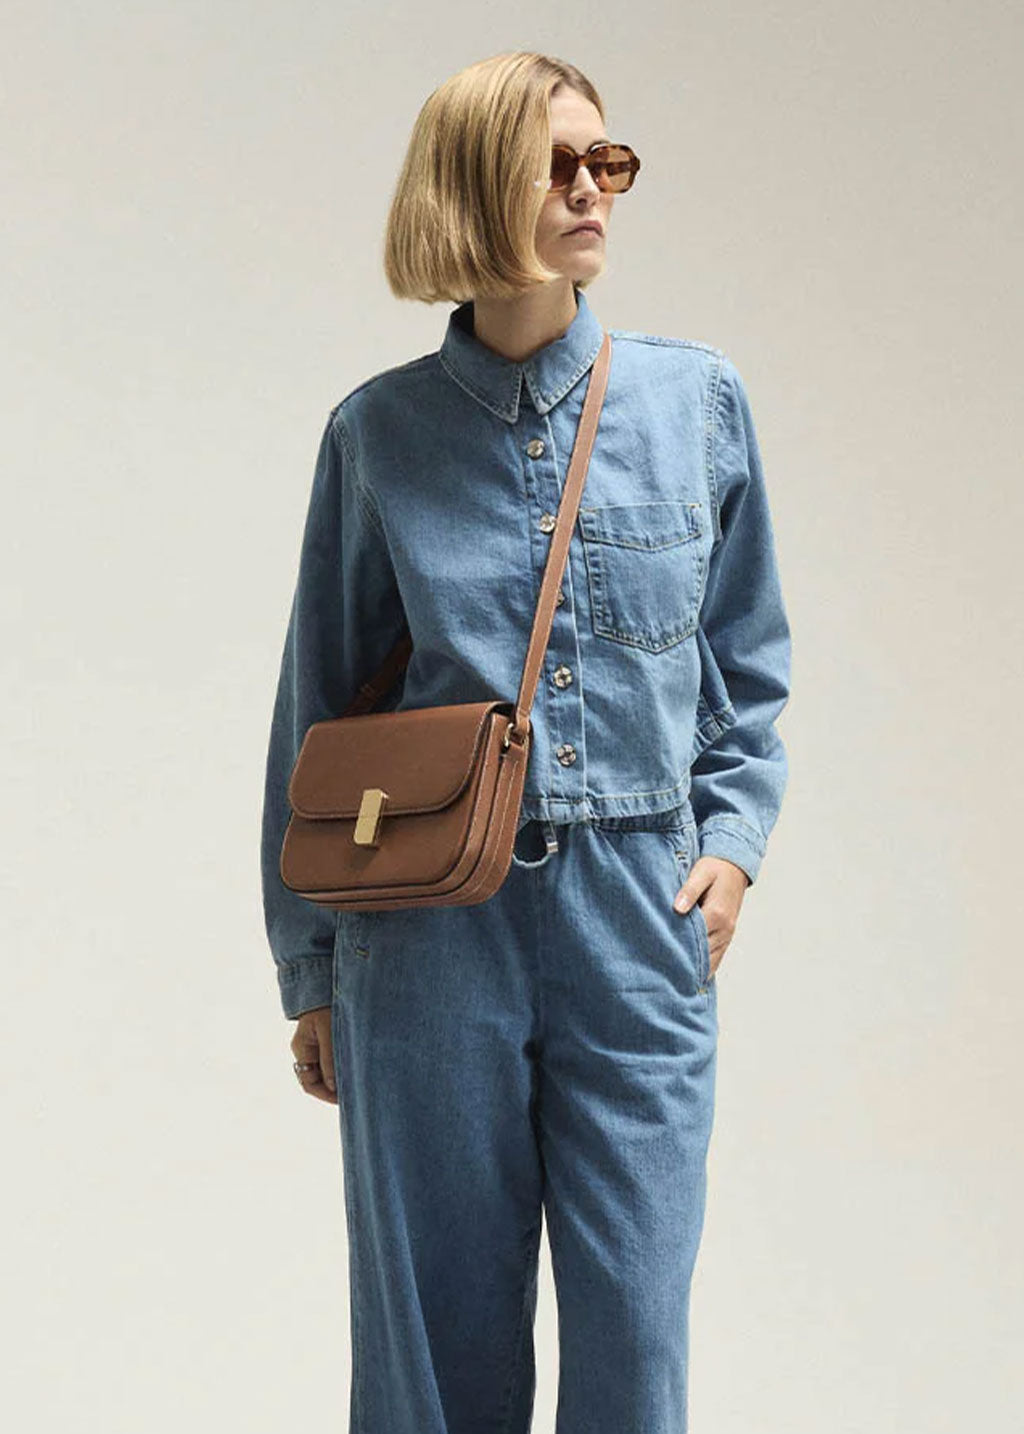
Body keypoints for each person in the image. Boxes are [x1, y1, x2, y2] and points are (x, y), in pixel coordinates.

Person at [260, 48, 791, 1434]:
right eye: (557, 163)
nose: (592, 188)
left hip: (637, 915)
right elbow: (318, 712)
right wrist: (310, 964)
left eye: (607, 161)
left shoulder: (695, 403)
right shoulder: (378, 434)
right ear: (473, 181)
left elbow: (746, 665)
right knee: (434, 1353)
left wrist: (731, 845)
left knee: (636, 1338)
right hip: (428, 930)